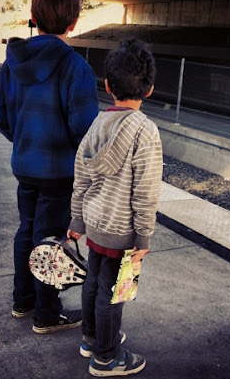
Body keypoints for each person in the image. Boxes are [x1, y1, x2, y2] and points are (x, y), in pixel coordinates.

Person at [0, 0, 99, 334]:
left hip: (25, 166)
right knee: (52, 240)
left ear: (33, 17)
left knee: (27, 231)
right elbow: (85, 131)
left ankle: (23, 301)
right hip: (59, 172)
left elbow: (5, 118)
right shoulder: (76, 67)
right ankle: (47, 314)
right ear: (74, 22)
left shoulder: (13, 62)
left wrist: (26, 143)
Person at [67, 37, 163, 377]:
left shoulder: (97, 123)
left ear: (107, 86)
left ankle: (91, 338)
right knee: (112, 293)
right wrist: (143, 236)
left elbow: (81, 175)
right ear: (149, 89)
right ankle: (106, 358)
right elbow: (146, 190)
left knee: (94, 282)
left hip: (95, 224)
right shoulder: (145, 131)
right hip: (122, 230)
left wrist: (77, 219)